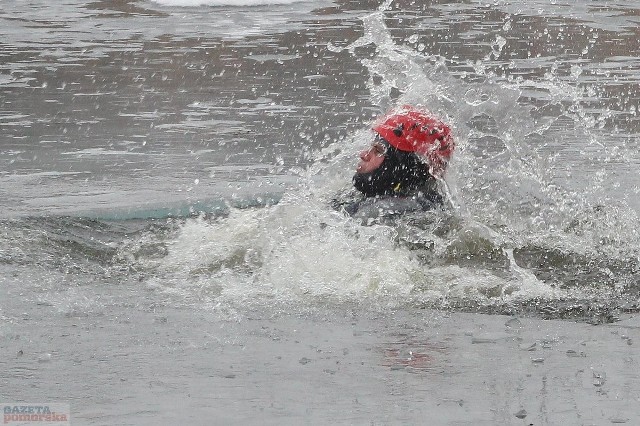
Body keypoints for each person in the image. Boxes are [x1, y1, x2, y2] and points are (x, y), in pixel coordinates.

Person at [336, 105, 455, 219]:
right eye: (371, 147)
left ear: (404, 168)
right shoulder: (435, 204)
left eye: (378, 150)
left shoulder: (386, 212)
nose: (364, 155)